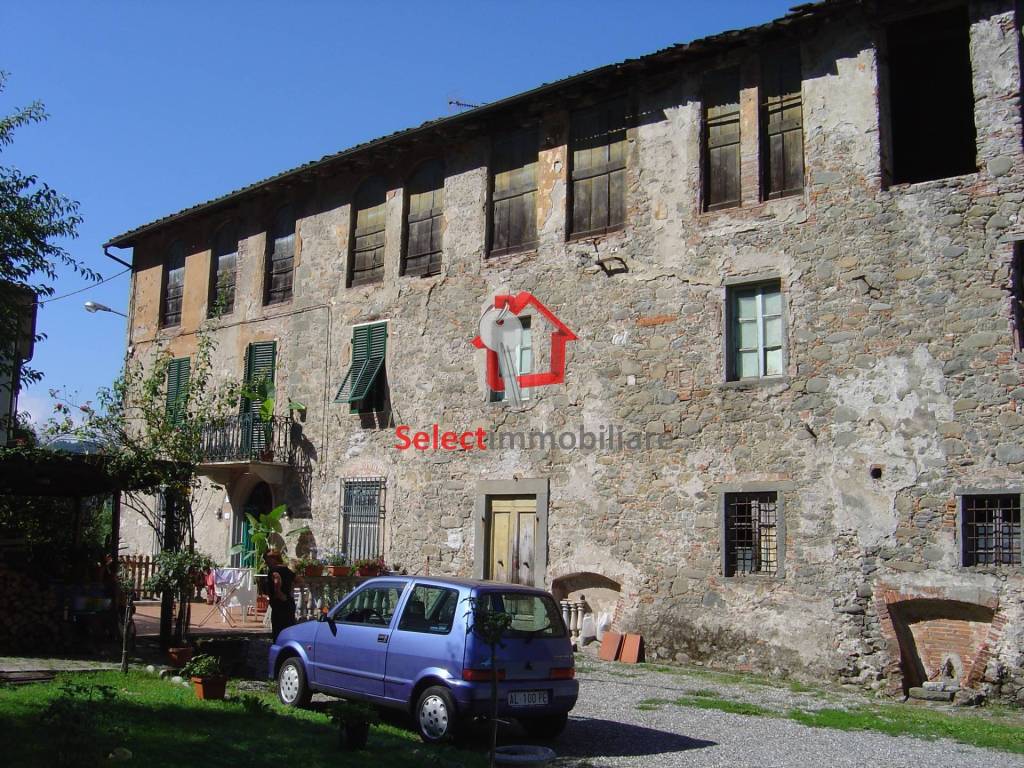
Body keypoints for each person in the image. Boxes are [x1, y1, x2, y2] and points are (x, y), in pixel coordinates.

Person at [263, 551, 296, 641]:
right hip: (289, 603)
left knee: (278, 631)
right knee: (289, 629)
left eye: (267, 560)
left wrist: (279, 593)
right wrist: (290, 592)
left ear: (274, 559)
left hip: (279, 605)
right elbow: (300, 581)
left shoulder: (274, 570)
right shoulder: (287, 570)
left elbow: (276, 579)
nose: (266, 563)